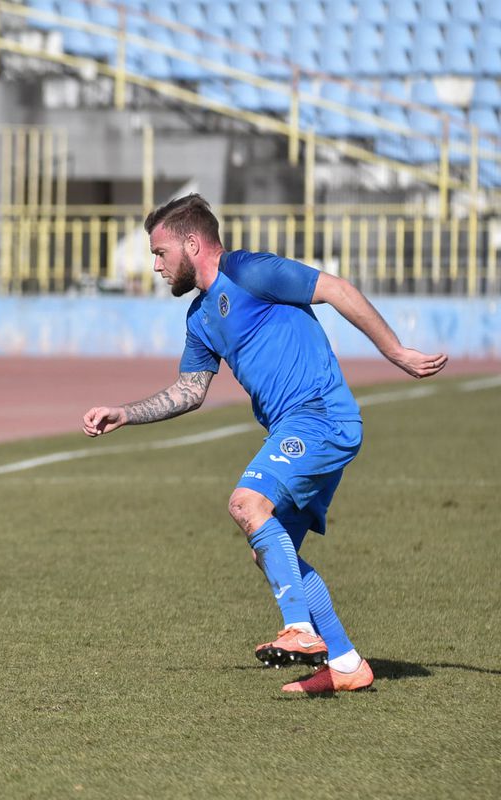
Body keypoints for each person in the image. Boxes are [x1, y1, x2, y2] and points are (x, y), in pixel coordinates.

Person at [81, 194, 447, 694]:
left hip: (319, 416)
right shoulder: (200, 317)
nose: (157, 266)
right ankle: (346, 663)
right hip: (295, 428)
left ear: (193, 244)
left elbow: (337, 289)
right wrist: (125, 413)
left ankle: (299, 629)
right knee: (272, 552)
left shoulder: (249, 271)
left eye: (161, 253)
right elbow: (190, 391)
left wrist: (396, 351)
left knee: (246, 503)